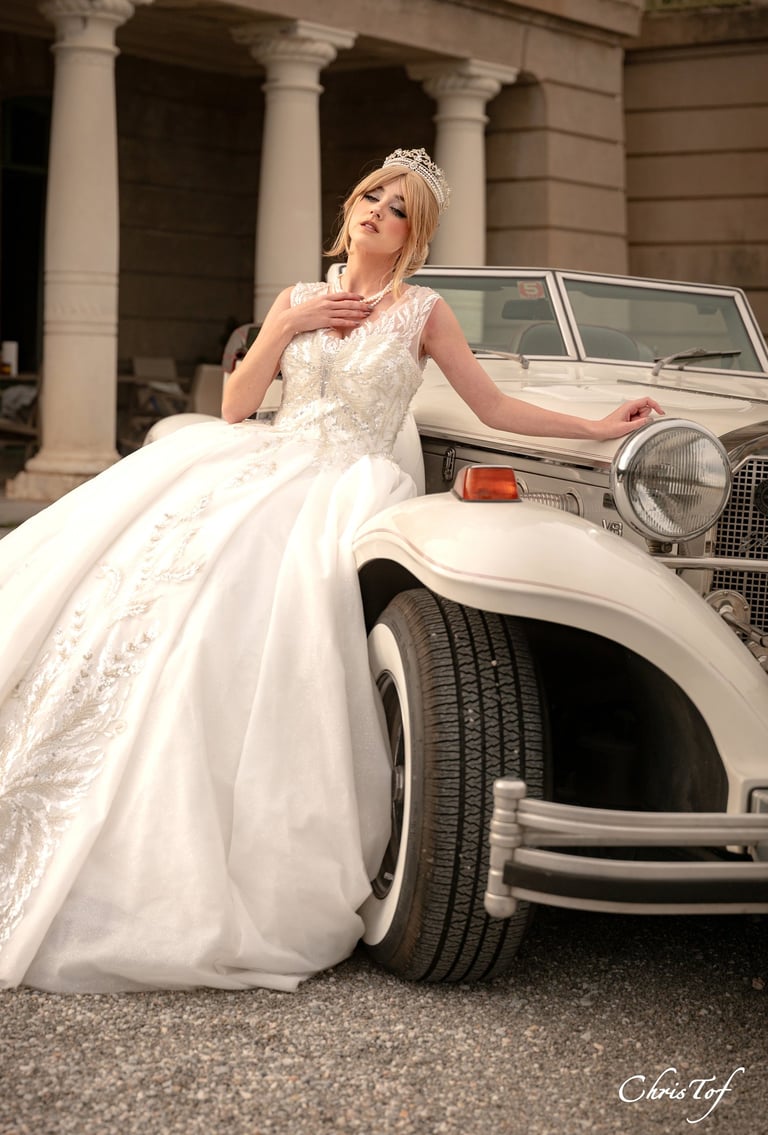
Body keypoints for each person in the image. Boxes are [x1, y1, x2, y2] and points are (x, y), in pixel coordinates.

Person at [0, 148, 662, 994]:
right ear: (350, 206)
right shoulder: (296, 297)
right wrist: (286, 327)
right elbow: (237, 407)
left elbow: (492, 406)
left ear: (412, 235)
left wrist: (601, 428)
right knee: (142, 592)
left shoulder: (422, 310)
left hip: (341, 484)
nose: (377, 212)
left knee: (244, 627)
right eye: (371, 197)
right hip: (257, 461)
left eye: (397, 210)